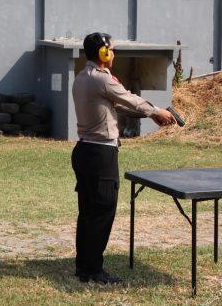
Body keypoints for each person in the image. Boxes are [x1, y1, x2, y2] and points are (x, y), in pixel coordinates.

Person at [71, 32, 175, 284]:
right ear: (103, 53)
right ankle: (93, 269)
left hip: (85, 150)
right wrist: (156, 111)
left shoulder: (83, 78)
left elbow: (117, 105)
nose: (114, 54)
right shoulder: (102, 80)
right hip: (100, 153)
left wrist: (150, 115)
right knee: (102, 211)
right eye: (113, 50)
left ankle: (84, 266)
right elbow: (129, 99)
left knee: (88, 212)